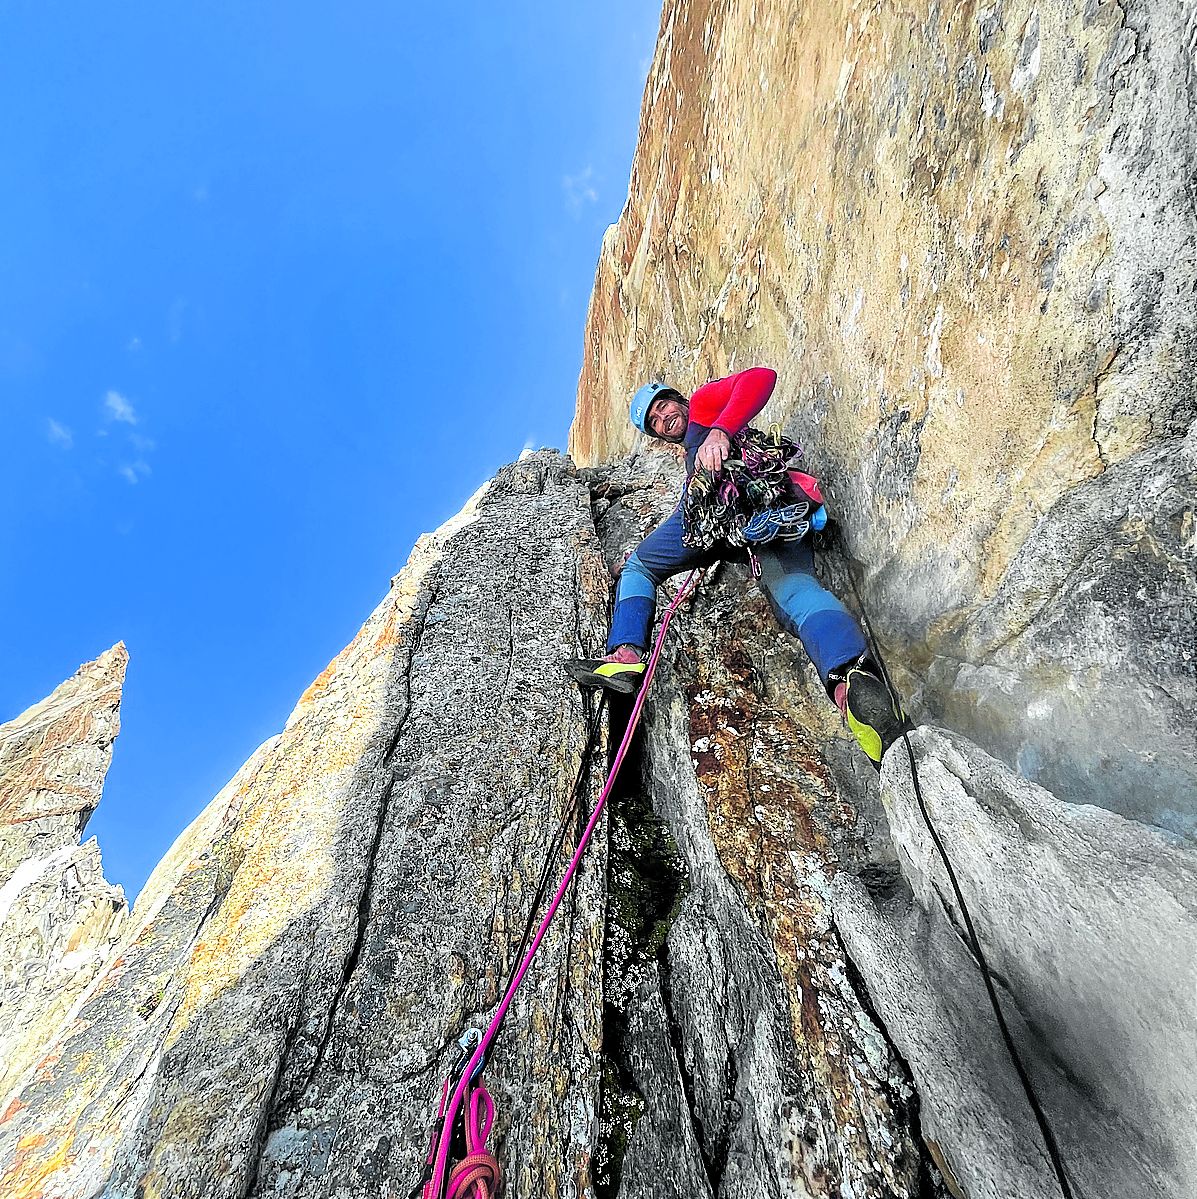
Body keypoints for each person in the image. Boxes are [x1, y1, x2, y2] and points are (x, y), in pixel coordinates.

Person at [566, 366, 910, 769]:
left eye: (663, 407)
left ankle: (627, 657)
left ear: (678, 398)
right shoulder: (693, 452)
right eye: (655, 424)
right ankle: (852, 679)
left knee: (643, 569)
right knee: (797, 593)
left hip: (748, 516)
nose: (664, 420)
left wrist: (721, 430)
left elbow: (761, 377)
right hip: (735, 522)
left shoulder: (704, 405)